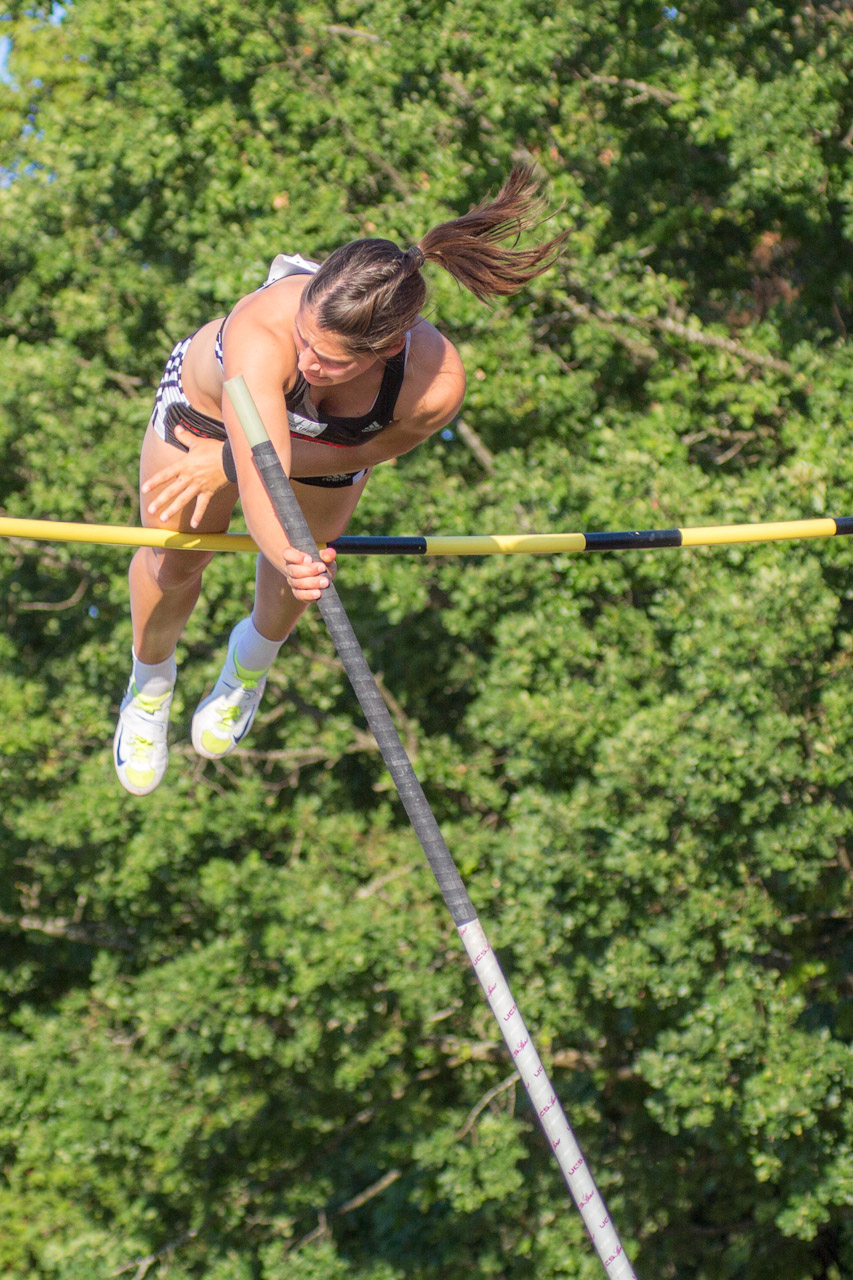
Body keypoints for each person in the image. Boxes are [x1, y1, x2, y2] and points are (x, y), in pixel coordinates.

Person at [113, 166, 565, 795]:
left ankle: (250, 663)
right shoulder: (262, 333)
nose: (307, 362)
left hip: (332, 443)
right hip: (208, 416)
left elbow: (373, 448)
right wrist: (248, 491)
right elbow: (261, 471)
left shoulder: (434, 386)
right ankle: (149, 684)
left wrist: (287, 550)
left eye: (329, 360)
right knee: (177, 562)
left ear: (387, 349)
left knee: (299, 571)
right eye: (305, 341)